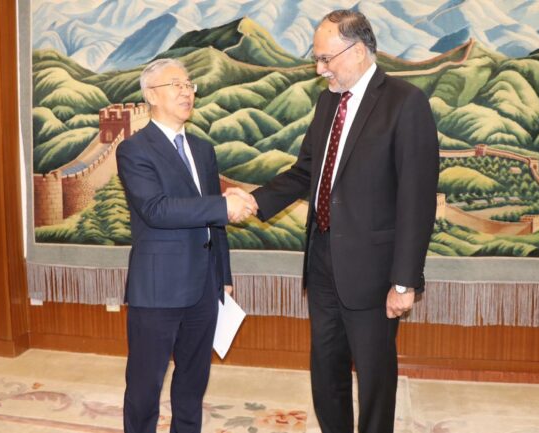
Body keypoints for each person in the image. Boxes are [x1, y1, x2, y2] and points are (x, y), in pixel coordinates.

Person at [226, 10, 439, 433]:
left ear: (357, 51)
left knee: (375, 378)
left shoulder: (404, 102)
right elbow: (306, 172)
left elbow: (417, 201)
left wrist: (404, 282)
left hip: (374, 271)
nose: (320, 69)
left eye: (326, 59)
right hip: (322, 261)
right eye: (317, 59)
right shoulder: (328, 102)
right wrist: (253, 201)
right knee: (326, 371)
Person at [116, 58, 254, 433]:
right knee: (145, 385)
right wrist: (224, 205)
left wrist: (223, 275)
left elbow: (213, 222)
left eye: (189, 85)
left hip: (204, 285)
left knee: (193, 382)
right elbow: (156, 209)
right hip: (158, 287)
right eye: (175, 85)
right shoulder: (134, 150)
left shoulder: (202, 149)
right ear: (151, 96)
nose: (186, 92)